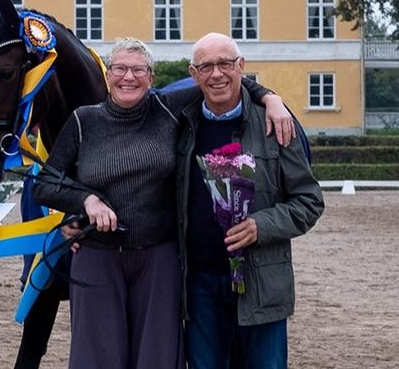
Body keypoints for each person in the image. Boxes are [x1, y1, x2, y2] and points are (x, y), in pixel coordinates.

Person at [33, 37, 293, 369]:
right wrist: (86, 201)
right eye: (120, 69)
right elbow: (45, 184)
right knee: (97, 356)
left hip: (158, 257)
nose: (129, 77)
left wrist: (271, 98)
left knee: (157, 356)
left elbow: (222, 77)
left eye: (138, 69)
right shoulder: (84, 120)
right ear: (107, 75)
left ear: (151, 77)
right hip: (97, 254)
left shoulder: (168, 108)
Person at [177, 32, 324, 369]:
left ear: (241, 65)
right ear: (193, 73)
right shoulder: (180, 123)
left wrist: (262, 225)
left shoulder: (277, 124)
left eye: (225, 63)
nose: (217, 74)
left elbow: (309, 200)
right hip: (199, 284)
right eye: (206, 66)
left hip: (262, 282)